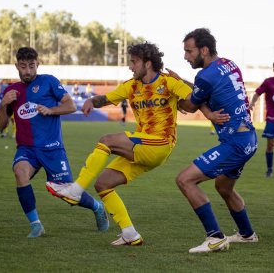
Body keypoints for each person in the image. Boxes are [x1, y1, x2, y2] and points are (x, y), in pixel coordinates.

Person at [46, 42, 229, 246]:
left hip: (160, 143)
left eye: (134, 62)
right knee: (103, 184)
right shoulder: (131, 86)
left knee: (106, 140)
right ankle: (130, 233)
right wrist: (91, 101)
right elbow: (105, 99)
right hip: (142, 146)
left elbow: (195, 98)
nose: (131, 67)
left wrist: (207, 112)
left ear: (148, 63)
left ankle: (76, 190)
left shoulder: (168, 82)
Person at [0, 47, 108, 238]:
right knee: (20, 172)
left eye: (32, 66)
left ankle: (97, 207)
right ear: (17, 66)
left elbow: (71, 105)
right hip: (27, 149)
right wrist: (4, 104)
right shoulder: (11, 91)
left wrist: (51, 110)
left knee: (66, 193)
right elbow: (1, 125)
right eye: (23, 66)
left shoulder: (48, 81)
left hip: (52, 148)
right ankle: (36, 225)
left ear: (37, 64)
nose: (28, 71)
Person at [174, 28, 258, 253]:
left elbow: (190, 105)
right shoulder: (228, 64)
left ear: (204, 49)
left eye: (189, 51)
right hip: (248, 137)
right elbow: (204, 93)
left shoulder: (205, 76)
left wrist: (172, 95)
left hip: (235, 143)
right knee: (223, 187)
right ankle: (247, 234)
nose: (185, 56)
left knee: (185, 180)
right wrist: (181, 82)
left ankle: (215, 237)